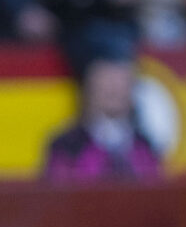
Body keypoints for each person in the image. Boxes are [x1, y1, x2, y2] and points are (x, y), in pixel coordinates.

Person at [41, 53, 162, 182]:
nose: (113, 88)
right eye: (106, 81)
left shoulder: (145, 145)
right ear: (89, 90)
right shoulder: (67, 146)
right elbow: (58, 195)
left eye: (121, 81)